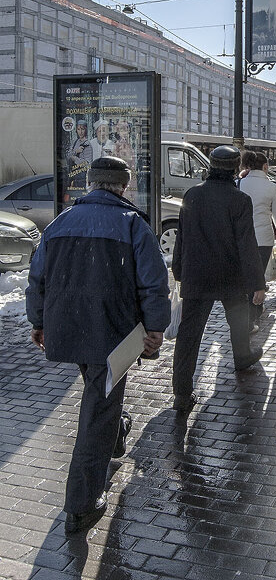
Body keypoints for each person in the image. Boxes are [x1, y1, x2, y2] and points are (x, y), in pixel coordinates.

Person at [26, 156, 170, 535]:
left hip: (72, 328)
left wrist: (38, 322)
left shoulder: (60, 223)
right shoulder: (132, 224)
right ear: (123, 186)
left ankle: (116, 433)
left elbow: (37, 278)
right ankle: (81, 503)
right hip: (112, 334)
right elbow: (154, 284)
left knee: (101, 394)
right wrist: (155, 329)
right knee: (97, 410)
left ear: (89, 184)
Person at [171, 145, 265, 414]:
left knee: (188, 336)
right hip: (230, 276)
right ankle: (241, 356)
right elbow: (247, 245)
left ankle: (182, 392)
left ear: (210, 167)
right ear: (236, 169)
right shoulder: (239, 200)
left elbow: (182, 238)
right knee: (238, 320)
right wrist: (257, 283)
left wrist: (179, 270)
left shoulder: (193, 195)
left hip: (196, 275)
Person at [238, 151, 276, 333]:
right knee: (257, 276)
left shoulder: (239, 183)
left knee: (245, 277)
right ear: (265, 167)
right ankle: (252, 316)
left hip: (241, 239)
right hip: (263, 238)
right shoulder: (271, 187)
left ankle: (251, 313)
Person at [66, 119, 93, 190]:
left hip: (82, 177)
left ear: (86, 130)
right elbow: (68, 156)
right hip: (73, 175)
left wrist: (74, 158)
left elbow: (87, 163)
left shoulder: (87, 144)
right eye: (78, 129)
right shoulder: (75, 142)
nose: (80, 132)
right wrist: (76, 151)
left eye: (82, 129)